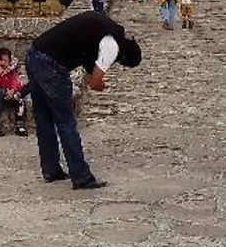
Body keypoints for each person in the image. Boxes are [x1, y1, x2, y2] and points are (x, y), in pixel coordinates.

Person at [25, 11, 142, 190]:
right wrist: (100, 84)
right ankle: (81, 176)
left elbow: (88, 62)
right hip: (52, 65)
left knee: (44, 118)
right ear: (124, 57)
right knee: (66, 122)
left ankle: (51, 169)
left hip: (35, 54)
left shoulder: (106, 28)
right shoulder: (112, 45)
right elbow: (95, 81)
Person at [0, 46, 29, 136]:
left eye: (5, 61)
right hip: (0, 93)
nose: (3, 63)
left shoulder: (11, 70)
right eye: (0, 60)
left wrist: (12, 90)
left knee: (20, 100)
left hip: (10, 92)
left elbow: (15, 81)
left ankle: (20, 125)